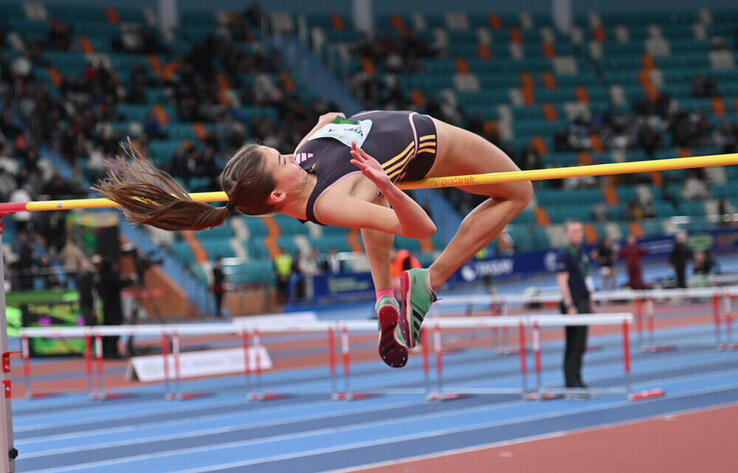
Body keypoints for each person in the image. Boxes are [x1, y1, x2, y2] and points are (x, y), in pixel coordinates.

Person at [95, 110, 533, 368]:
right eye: (282, 158)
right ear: (278, 194)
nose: (292, 153)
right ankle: (428, 282)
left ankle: (384, 296)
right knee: (518, 189)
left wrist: (329, 125)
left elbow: (326, 122)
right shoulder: (328, 202)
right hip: (425, 141)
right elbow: (422, 229)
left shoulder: (300, 167)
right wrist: (389, 183)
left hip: (383, 147)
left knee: (373, 202)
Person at [555, 220, 594, 390]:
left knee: (581, 344)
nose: (577, 234)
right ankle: (570, 381)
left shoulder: (581, 252)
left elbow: (586, 278)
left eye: (579, 231)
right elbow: (562, 281)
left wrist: (591, 301)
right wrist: (570, 305)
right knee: (572, 343)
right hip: (573, 302)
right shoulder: (564, 254)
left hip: (584, 300)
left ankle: (578, 378)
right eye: (573, 231)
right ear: (566, 234)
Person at [75, 257, 97, 326]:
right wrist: (93, 308)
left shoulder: (79, 275)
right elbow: (89, 293)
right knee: (92, 324)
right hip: (88, 305)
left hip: (84, 304)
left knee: (88, 324)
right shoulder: (88, 275)